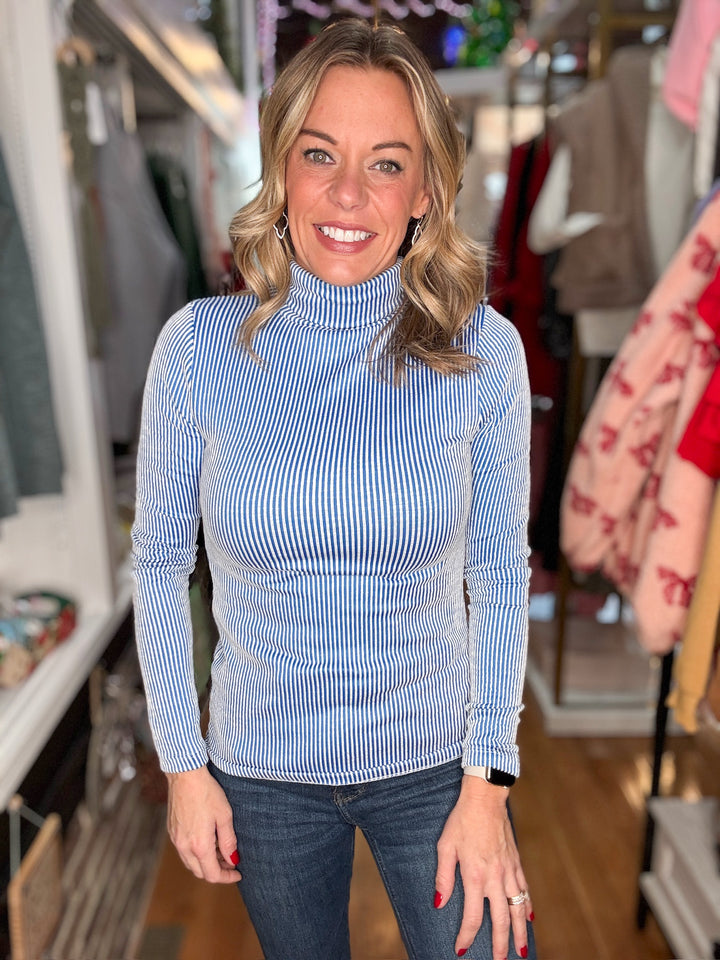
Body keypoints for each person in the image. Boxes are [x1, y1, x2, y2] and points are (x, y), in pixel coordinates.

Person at [132, 17, 536, 960]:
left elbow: (498, 574)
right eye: (320, 154)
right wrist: (183, 765)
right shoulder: (196, 349)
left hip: (436, 761)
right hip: (262, 770)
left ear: (426, 190)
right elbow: (157, 565)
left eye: (386, 164)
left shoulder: (484, 352)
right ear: (281, 166)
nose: (348, 193)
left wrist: (488, 785)